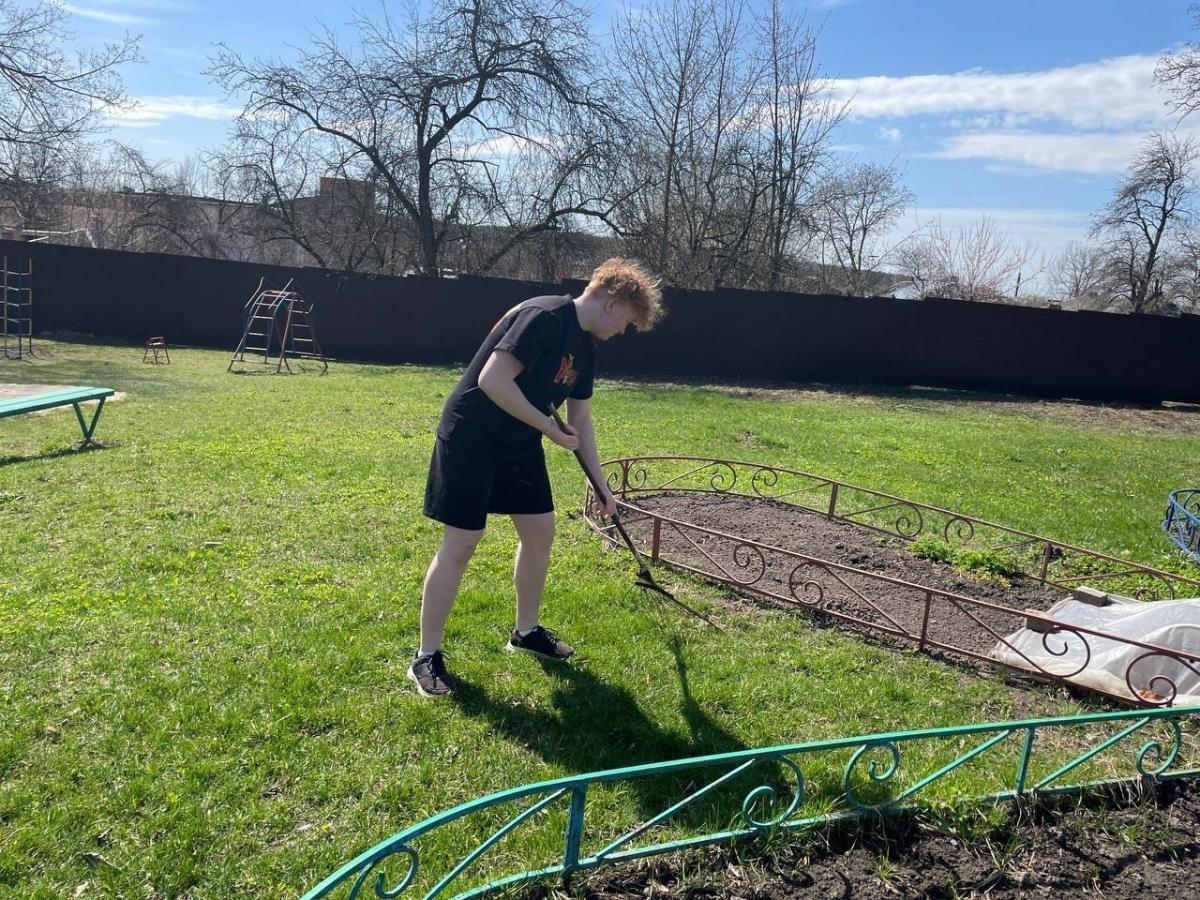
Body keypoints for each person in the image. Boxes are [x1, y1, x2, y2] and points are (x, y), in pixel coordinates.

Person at [409, 258, 665, 698]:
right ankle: (426, 657)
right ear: (611, 302)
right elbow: (493, 380)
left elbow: (580, 419)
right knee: (463, 542)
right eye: (626, 321)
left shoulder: (585, 347)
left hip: (518, 441)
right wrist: (548, 428)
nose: (623, 331)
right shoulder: (544, 317)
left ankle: (525, 633)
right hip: (472, 434)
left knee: (539, 532)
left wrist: (601, 486)